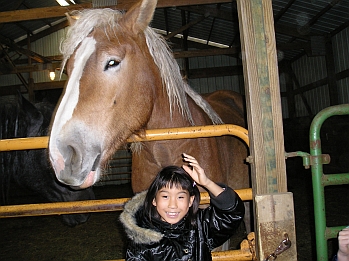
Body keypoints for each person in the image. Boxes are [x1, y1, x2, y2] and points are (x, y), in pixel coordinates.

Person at [120, 153, 245, 261]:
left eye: (180, 197)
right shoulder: (141, 242)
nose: (172, 205)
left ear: (190, 201)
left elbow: (232, 213)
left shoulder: (200, 226)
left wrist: (206, 182)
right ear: (154, 200)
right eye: (165, 197)